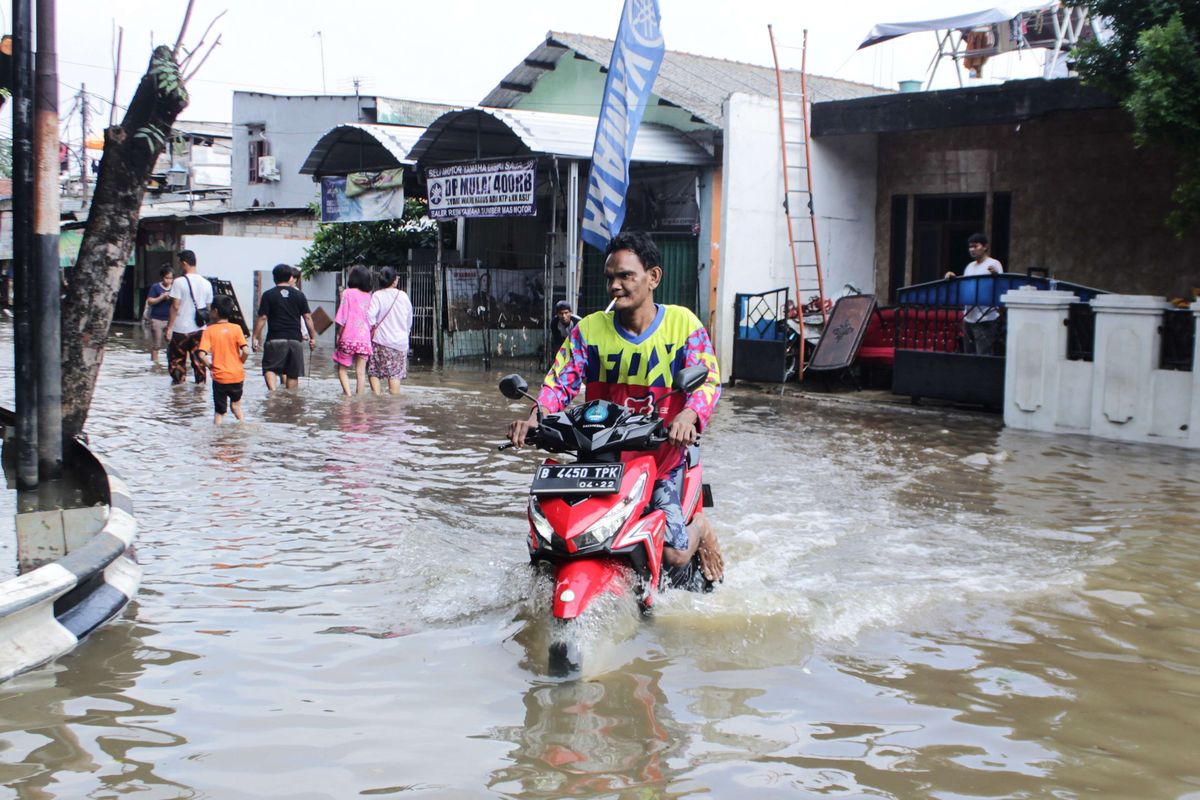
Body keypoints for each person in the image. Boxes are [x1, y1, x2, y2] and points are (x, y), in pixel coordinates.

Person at [507, 231, 724, 582]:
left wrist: (688, 415)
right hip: (599, 462)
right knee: (551, 542)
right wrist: (535, 419)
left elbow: (710, 380)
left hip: (660, 460)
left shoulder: (683, 325)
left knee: (675, 553)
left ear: (653, 277)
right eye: (610, 277)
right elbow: (559, 383)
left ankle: (700, 526)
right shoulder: (589, 330)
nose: (615, 286)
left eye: (626, 276)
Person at [252, 263, 317, 390]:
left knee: (269, 368)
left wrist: (254, 336)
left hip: (275, 339)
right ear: (290, 278)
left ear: (274, 278)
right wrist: (313, 337)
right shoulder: (300, 295)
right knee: (292, 374)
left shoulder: (268, 295)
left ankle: (272, 394)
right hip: (295, 341)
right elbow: (307, 317)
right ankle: (291, 401)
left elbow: (262, 317)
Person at [944, 233, 1005, 355]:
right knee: (969, 354)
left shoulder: (993, 263)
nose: (972, 249)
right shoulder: (969, 266)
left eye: (975, 246)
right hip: (968, 317)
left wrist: (995, 275)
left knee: (983, 355)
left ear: (985, 247)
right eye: (970, 247)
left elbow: (1000, 285)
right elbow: (966, 287)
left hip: (986, 317)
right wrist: (953, 278)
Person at [198, 294, 249, 425]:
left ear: (215, 311)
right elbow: (246, 351)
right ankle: (243, 426)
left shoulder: (208, 331)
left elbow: (201, 355)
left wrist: (210, 366)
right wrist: (240, 362)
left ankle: (217, 438)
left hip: (220, 377)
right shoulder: (237, 328)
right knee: (236, 406)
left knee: (219, 412)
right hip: (237, 376)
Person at [165, 249, 214, 385]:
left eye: (181, 264)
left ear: (185, 263)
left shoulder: (179, 282)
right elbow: (208, 308)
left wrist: (169, 328)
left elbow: (175, 306)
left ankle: (178, 393)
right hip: (199, 329)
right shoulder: (207, 283)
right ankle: (200, 392)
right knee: (199, 361)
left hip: (180, 329)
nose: (180, 266)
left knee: (177, 361)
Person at [367, 266, 414, 395]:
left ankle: (376, 400)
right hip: (400, 343)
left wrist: (374, 327)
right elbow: (409, 320)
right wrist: (405, 334)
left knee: (374, 371)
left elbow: (370, 317)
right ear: (394, 281)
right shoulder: (403, 296)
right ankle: (393, 407)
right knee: (394, 375)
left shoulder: (377, 296)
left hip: (380, 341)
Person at [334, 265, 374, 395]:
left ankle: (348, 396)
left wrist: (338, 335)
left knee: (342, 370)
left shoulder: (347, 293)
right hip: (364, 340)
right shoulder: (370, 296)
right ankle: (359, 399)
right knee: (361, 372)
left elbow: (342, 317)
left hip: (348, 338)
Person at [143, 267, 174, 364]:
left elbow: (178, 303)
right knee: (157, 344)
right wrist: (161, 297)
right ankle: (155, 364)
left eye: (170, 278)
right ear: (162, 277)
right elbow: (150, 301)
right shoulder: (155, 287)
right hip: (157, 319)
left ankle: (171, 362)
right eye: (166, 278)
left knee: (172, 343)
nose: (168, 280)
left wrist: (171, 297)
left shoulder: (174, 288)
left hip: (170, 320)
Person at [548, 300, 581, 366]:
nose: (564, 316)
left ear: (570, 313)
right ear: (557, 314)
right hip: (563, 341)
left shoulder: (578, 322)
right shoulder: (554, 323)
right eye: (561, 313)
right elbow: (557, 341)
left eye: (566, 313)